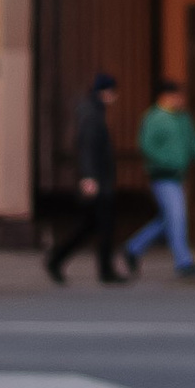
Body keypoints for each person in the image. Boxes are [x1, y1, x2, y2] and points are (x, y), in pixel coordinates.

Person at [44, 73, 131, 287]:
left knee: (89, 227)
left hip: (99, 180)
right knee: (105, 226)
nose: (115, 96)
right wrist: (89, 177)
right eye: (112, 91)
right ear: (105, 92)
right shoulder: (92, 115)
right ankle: (105, 271)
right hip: (97, 182)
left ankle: (56, 260)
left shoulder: (93, 111)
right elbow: (87, 149)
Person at [127, 77, 195, 279]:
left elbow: (193, 141)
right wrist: (167, 161)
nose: (181, 100)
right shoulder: (154, 118)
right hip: (163, 175)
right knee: (177, 216)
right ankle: (183, 261)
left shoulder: (183, 118)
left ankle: (133, 247)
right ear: (166, 97)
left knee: (170, 219)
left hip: (179, 175)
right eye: (177, 96)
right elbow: (146, 145)